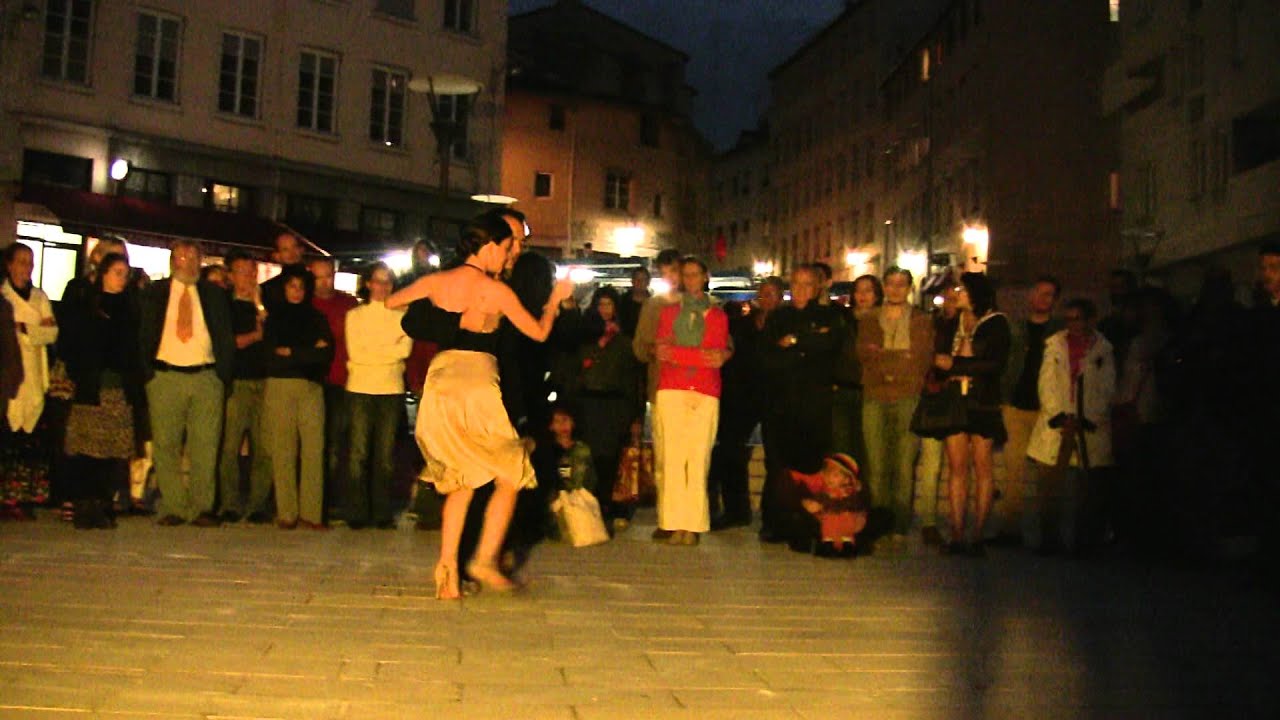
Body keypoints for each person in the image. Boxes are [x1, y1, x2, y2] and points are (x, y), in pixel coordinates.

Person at [386, 221, 573, 599]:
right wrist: (555, 301)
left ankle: (448, 568)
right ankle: (483, 559)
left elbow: (392, 302)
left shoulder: (438, 280)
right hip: (476, 382)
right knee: (509, 472)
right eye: (506, 248)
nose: (508, 255)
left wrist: (452, 319)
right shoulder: (495, 290)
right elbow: (538, 332)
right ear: (488, 247)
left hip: (440, 379)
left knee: (460, 478)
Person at [139, 240, 235, 527]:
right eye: (182, 257)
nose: (189, 263)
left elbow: (225, 336)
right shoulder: (154, 293)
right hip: (165, 376)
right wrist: (148, 374)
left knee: (205, 445)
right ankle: (173, 506)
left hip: (206, 376)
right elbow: (141, 333)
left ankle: (202, 507)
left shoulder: (213, 295)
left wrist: (222, 376)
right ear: (172, 261)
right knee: (166, 444)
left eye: (194, 257)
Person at [760, 265, 845, 541]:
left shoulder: (830, 316)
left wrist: (794, 342)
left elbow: (829, 346)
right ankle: (775, 521)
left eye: (807, 284)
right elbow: (768, 358)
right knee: (777, 466)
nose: (800, 290)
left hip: (813, 406)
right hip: (780, 406)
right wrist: (806, 345)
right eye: (795, 284)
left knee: (810, 465)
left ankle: (809, 521)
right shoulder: (778, 317)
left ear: (817, 287)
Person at [1024, 298, 1115, 554]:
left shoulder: (1103, 350)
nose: (1073, 324)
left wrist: (1089, 417)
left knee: (1088, 489)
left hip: (1088, 424)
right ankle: (1050, 540)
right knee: (1050, 487)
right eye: (1069, 319)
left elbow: (1106, 389)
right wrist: (1059, 415)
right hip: (1058, 422)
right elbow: (1046, 383)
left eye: (1077, 318)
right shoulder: (1054, 346)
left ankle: (1085, 541)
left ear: (1089, 320)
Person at [58, 253, 143, 529]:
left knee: (112, 452)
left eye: (125, 273)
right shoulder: (88, 306)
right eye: (117, 272)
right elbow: (73, 344)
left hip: (119, 388)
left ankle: (104, 504)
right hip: (92, 387)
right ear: (104, 273)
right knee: (87, 451)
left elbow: (132, 348)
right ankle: (85, 505)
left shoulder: (129, 307)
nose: (122, 278)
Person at [652, 256, 730, 546]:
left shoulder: (719, 316)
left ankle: (693, 524)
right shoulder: (669, 312)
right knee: (672, 457)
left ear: (705, 276)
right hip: (672, 388)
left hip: (706, 390)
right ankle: (672, 522)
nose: (692, 280)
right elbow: (662, 351)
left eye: (696, 274)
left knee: (698, 458)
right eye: (687, 275)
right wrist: (696, 356)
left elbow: (715, 355)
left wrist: (680, 353)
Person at [933, 272, 1011, 556]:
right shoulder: (953, 321)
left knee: (982, 466)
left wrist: (955, 365)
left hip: (983, 401)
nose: (958, 293)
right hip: (955, 400)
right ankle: (956, 532)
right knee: (957, 467)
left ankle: (977, 533)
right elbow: (939, 354)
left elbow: (993, 364)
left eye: (962, 289)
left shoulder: (996, 323)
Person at [856, 267, 934, 550]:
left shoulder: (921, 321)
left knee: (903, 464)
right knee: (876, 465)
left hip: (907, 396)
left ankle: (899, 523)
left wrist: (886, 359)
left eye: (902, 284)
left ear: (909, 288)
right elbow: (865, 354)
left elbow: (920, 359)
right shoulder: (869, 320)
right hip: (875, 395)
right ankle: (879, 523)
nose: (896, 289)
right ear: (885, 287)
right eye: (891, 284)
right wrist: (900, 357)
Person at [708, 276, 782, 531]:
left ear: (780, 296)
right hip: (741, 397)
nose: (767, 298)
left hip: (775, 397)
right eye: (763, 293)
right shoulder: (742, 325)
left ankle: (774, 515)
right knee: (731, 452)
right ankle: (735, 511)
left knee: (776, 457)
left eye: (772, 293)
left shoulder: (787, 324)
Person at [262, 266, 334, 530]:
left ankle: (312, 513)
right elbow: (271, 355)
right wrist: (307, 352)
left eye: (301, 287)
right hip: (281, 385)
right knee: (284, 449)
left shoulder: (317, 317)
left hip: (311, 387)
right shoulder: (274, 319)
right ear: (284, 289)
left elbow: (325, 355)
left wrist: (290, 352)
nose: (297, 292)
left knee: (314, 449)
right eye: (292, 286)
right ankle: (287, 513)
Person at [342, 263, 412, 529]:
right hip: (359, 387)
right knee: (358, 453)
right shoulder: (355, 315)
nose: (382, 287)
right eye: (378, 281)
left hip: (391, 389)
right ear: (368, 283)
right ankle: (357, 512)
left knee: (385, 455)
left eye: (387, 282)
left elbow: (405, 350)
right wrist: (388, 349)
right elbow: (356, 353)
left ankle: (382, 512)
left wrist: (376, 351)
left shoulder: (402, 315)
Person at [997, 276, 1063, 541]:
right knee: (1014, 472)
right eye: (1038, 293)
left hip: (1047, 409)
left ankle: (1049, 533)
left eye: (1048, 294)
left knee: (1048, 475)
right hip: (1017, 406)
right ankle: (1010, 529)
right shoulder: (1016, 329)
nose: (1041, 298)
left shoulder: (1059, 333)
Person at [571, 286, 639, 524]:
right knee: (591, 456)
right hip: (590, 402)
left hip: (614, 404)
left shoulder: (624, 342)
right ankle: (592, 503)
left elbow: (631, 377)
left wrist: (633, 414)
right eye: (601, 305)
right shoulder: (586, 336)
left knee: (609, 457)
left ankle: (608, 503)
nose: (604, 310)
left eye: (609, 305)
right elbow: (581, 366)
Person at [1, 243, 58, 519]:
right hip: (10, 370)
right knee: (9, 432)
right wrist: (33, 331)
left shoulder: (39, 297)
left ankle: (25, 497)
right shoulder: (4, 295)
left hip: (35, 369)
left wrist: (25, 328)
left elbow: (50, 333)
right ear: (9, 264)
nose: (26, 267)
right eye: (21, 261)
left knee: (30, 435)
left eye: (30, 262)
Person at [217, 251, 272, 524]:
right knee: (230, 446)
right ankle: (229, 502)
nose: (248, 277)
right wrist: (255, 337)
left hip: (264, 381)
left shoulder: (264, 304)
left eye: (252, 271)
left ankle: (257, 504)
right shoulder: (225, 305)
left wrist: (259, 307)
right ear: (231, 275)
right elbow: (232, 341)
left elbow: (272, 336)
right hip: (236, 382)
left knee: (264, 447)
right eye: (241, 271)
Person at [632, 248, 683, 539]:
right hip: (662, 387)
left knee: (689, 455)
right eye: (664, 274)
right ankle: (668, 517)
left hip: (693, 391)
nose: (670, 278)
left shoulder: (698, 303)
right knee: (664, 456)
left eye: (674, 272)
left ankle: (688, 517)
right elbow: (639, 347)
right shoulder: (653, 306)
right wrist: (653, 349)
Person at [309, 256, 359, 520]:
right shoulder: (305, 304)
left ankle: (335, 499)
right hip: (314, 381)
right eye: (320, 277)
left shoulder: (347, 304)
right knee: (316, 444)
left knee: (339, 443)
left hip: (342, 380)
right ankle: (316, 498)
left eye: (329, 275)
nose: (325, 282)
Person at [773, 453, 869, 557]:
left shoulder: (849, 492)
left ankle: (847, 546)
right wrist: (810, 504)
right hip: (827, 521)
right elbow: (819, 500)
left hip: (845, 520)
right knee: (827, 526)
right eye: (827, 474)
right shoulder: (824, 491)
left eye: (835, 475)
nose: (829, 479)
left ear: (846, 479)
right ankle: (827, 545)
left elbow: (855, 505)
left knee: (844, 526)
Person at [830, 274, 882, 460]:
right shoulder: (842, 320)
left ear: (876, 294)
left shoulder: (884, 322)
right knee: (843, 448)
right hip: (844, 391)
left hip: (873, 393)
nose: (862, 295)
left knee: (869, 450)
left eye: (868, 290)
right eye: (858, 290)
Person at [260, 232, 313, 313]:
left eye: (294, 247)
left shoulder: (313, 281)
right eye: (285, 249)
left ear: (302, 250)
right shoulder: (268, 289)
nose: (292, 253)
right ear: (276, 255)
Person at [618, 266, 651, 338]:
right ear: (632, 281)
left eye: (643, 279)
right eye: (637, 279)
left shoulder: (654, 304)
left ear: (648, 282)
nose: (640, 282)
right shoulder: (621, 302)